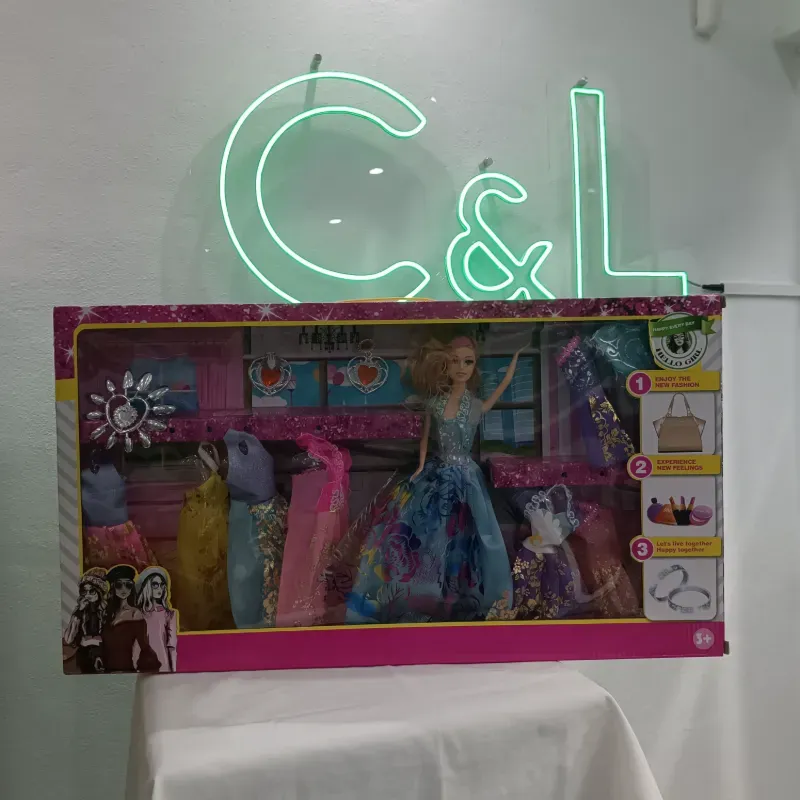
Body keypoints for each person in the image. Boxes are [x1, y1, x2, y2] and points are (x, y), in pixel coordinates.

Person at [346, 335, 523, 623]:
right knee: (429, 534)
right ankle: (426, 596)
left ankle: (467, 596)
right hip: (436, 475)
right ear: (444, 365)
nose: (461, 367)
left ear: (474, 366)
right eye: (455, 361)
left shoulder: (475, 405)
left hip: (467, 479)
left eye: (468, 362)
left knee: (471, 535)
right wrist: (419, 467)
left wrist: (514, 361)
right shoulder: (435, 405)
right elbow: (425, 440)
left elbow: (501, 388)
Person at [102, 565, 160, 673]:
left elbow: (144, 646)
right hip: (104, 672)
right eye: (119, 585)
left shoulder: (135, 614)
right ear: (113, 587)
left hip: (126, 672)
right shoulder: (106, 613)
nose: (124, 589)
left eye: (128, 585)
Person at [63, 567, 109, 673]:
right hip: (83, 654)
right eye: (84, 591)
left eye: (92, 591)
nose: (87, 595)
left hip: (103, 653)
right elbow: (69, 639)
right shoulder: (79, 611)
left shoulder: (106, 611)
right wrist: (79, 612)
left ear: (99, 592)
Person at [136, 566, 178, 672]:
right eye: (155, 584)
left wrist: (173, 672)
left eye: (162, 584)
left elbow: (172, 646)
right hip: (142, 665)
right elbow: (135, 645)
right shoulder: (138, 613)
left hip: (163, 666)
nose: (159, 588)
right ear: (147, 586)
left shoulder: (170, 614)